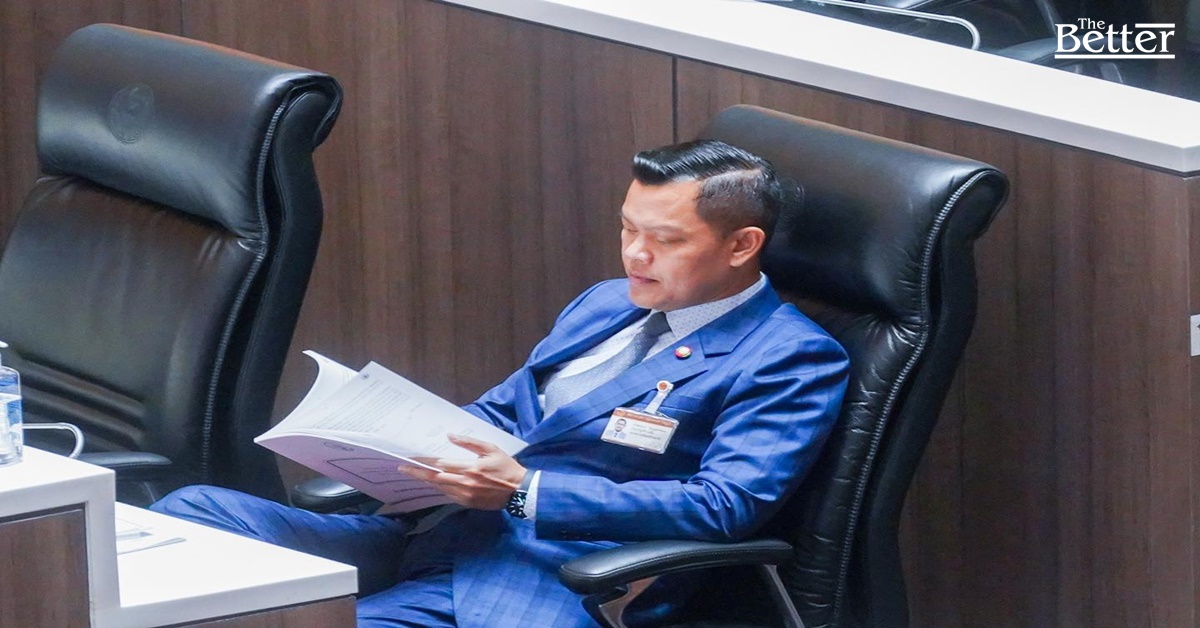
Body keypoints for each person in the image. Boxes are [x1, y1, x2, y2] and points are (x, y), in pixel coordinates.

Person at [151, 139, 850, 627]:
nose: (635, 256)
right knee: (191, 516)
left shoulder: (789, 357)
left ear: (741, 245)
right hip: (437, 534)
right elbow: (509, 411)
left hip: (544, 577)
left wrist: (524, 491)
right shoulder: (607, 303)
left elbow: (723, 506)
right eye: (627, 229)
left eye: (665, 241)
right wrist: (404, 442)